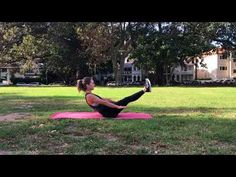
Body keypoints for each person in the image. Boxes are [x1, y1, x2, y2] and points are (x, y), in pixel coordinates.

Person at [77, 77, 152, 118]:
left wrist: (115, 102)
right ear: (87, 85)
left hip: (108, 112)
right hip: (110, 113)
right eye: (92, 83)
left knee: (126, 99)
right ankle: (145, 89)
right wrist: (117, 106)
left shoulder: (90, 95)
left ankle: (145, 89)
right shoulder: (89, 96)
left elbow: (104, 100)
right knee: (127, 99)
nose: (94, 84)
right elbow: (104, 102)